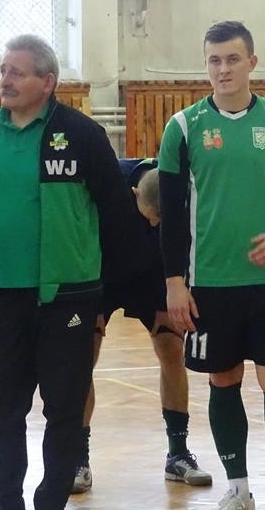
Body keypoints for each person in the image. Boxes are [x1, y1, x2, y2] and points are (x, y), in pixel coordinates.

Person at [158, 21, 265, 510]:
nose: (223, 69)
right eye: (214, 60)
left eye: (232, 59)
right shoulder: (183, 127)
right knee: (223, 379)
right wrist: (175, 283)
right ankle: (237, 488)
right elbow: (171, 215)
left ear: (252, 63)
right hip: (209, 283)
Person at [0, 34, 137, 510]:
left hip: (67, 297)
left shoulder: (82, 134)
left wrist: (103, 299)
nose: (4, 80)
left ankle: (50, 501)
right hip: (2, 297)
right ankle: (3, 499)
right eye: (3, 70)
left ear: (47, 82)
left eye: (17, 72)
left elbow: (118, 218)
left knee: (64, 409)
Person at [71, 159, 212, 494]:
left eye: (160, 220)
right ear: (133, 193)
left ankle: (178, 454)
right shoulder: (109, 180)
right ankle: (78, 459)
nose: (155, 223)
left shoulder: (180, 187)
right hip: (103, 271)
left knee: (172, 348)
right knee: (83, 356)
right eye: (150, 217)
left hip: (154, 273)